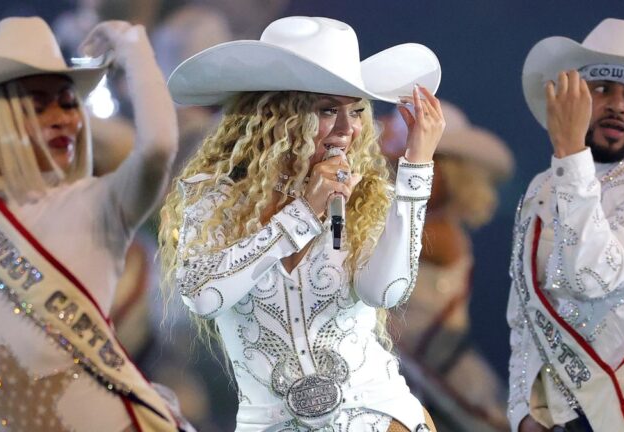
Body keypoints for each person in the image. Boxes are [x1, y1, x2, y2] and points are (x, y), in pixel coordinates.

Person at [159, 15, 443, 432]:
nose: (348, 129)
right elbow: (202, 295)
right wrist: (302, 215)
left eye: (356, 111)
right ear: (278, 116)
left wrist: (415, 173)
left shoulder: (365, 194)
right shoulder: (213, 197)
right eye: (328, 110)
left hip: (379, 415)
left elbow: (385, 291)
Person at [0, 16, 190, 431]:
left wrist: (134, 48)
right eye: (38, 106)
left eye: (67, 102)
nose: (63, 118)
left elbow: (157, 148)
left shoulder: (99, 204)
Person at [507, 18, 624, 432]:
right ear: (572, 101)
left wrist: (569, 153)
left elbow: (592, 275)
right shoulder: (542, 189)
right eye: (601, 90)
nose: (617, 105)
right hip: (561, 418)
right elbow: (523, 313)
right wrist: (522, 413)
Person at [383, 101, 513, 432]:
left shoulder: (442, 235)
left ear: (451, 171)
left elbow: (378, 231)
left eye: (426, 161)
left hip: (447, 383)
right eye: (403, 159)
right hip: (407, 375)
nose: (410, 168)